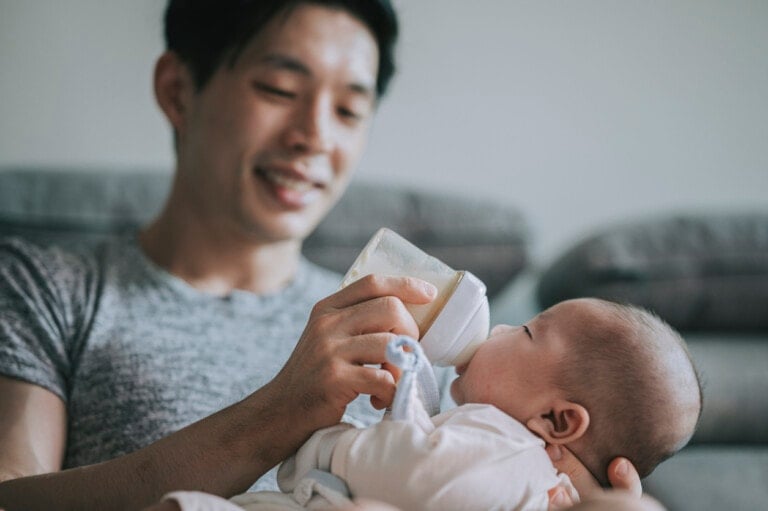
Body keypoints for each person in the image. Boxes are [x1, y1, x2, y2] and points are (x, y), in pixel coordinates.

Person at [0, 2, 642, 510]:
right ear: (178, 89)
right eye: (280, 88)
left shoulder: (419, 328)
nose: (314, 136)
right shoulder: (47, 289)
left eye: (347, 109)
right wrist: (279, 412)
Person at [148, 298, 702, 510]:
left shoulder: (510, 449)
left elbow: (415, 476)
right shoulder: (504, 452)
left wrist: (330, 445)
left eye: (528, 331)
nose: (503, 326)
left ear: (556, 421)